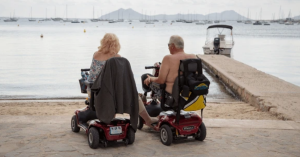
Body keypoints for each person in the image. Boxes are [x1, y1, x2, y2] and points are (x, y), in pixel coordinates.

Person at [87, 33, 157, 127]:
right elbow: (120, 79)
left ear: (103, 42)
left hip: (97, 90)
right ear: (116, 44)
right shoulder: (118, 58)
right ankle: (148, 119)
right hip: (113, 91)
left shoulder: (96, 55)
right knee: (134, 95)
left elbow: (92, 77)